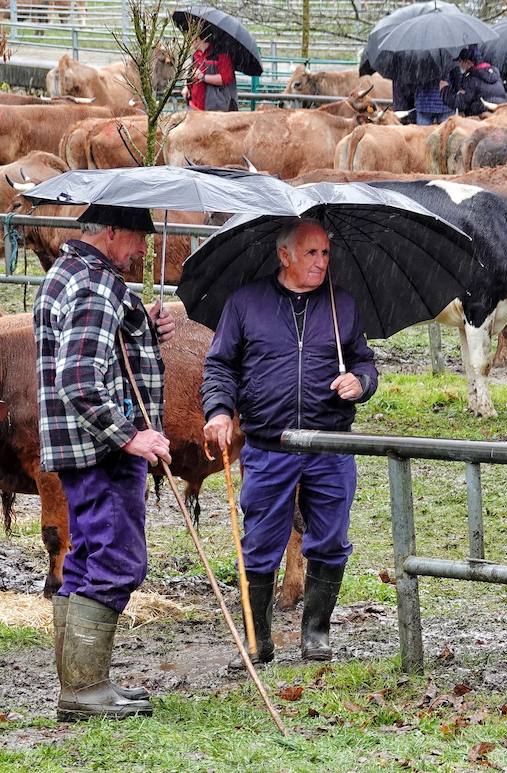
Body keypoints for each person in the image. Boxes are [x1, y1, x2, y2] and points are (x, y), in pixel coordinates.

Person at [201, 219, 378, 667]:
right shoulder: (246, 303)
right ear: (284, 256)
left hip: (330, 444)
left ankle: (316, 632)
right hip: (268, 444)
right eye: (311, 253)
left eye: (325, 253)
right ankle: (258, 643)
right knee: (260, 541)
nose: (322, 262)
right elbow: (220, 365)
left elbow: (365, 362)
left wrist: (360, 381)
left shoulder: (343, 305)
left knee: (332, 538)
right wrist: (219, 411)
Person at [35, 204, 177, 720]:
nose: (144, 250)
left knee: (87, 558)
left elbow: (95, 351)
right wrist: (131, 437)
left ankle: (81, 684)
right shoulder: (96, 286)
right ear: (113, 232)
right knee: (118, 560)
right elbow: (78, 379)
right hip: (101, 450)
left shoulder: (67, 274)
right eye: (140, 237)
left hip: (76, 448)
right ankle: (84, 691)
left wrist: (143, 327)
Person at [442, 45, 507, 118]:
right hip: (499, 113)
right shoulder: (494, 74)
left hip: (481, 117)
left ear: (468, 62)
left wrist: (444, 90)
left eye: (460, 62)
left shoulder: (472, 78)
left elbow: (462, 103)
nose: (459, 65)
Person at [183, 34, 237, 111]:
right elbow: (192, 74)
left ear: (198, 38)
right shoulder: (195, 55)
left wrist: (203, 77)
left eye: (191, 37)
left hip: (215, 107)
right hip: (195, 105)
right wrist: (187, 87)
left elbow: (225, 78)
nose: (189, 40)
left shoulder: (221, 55)